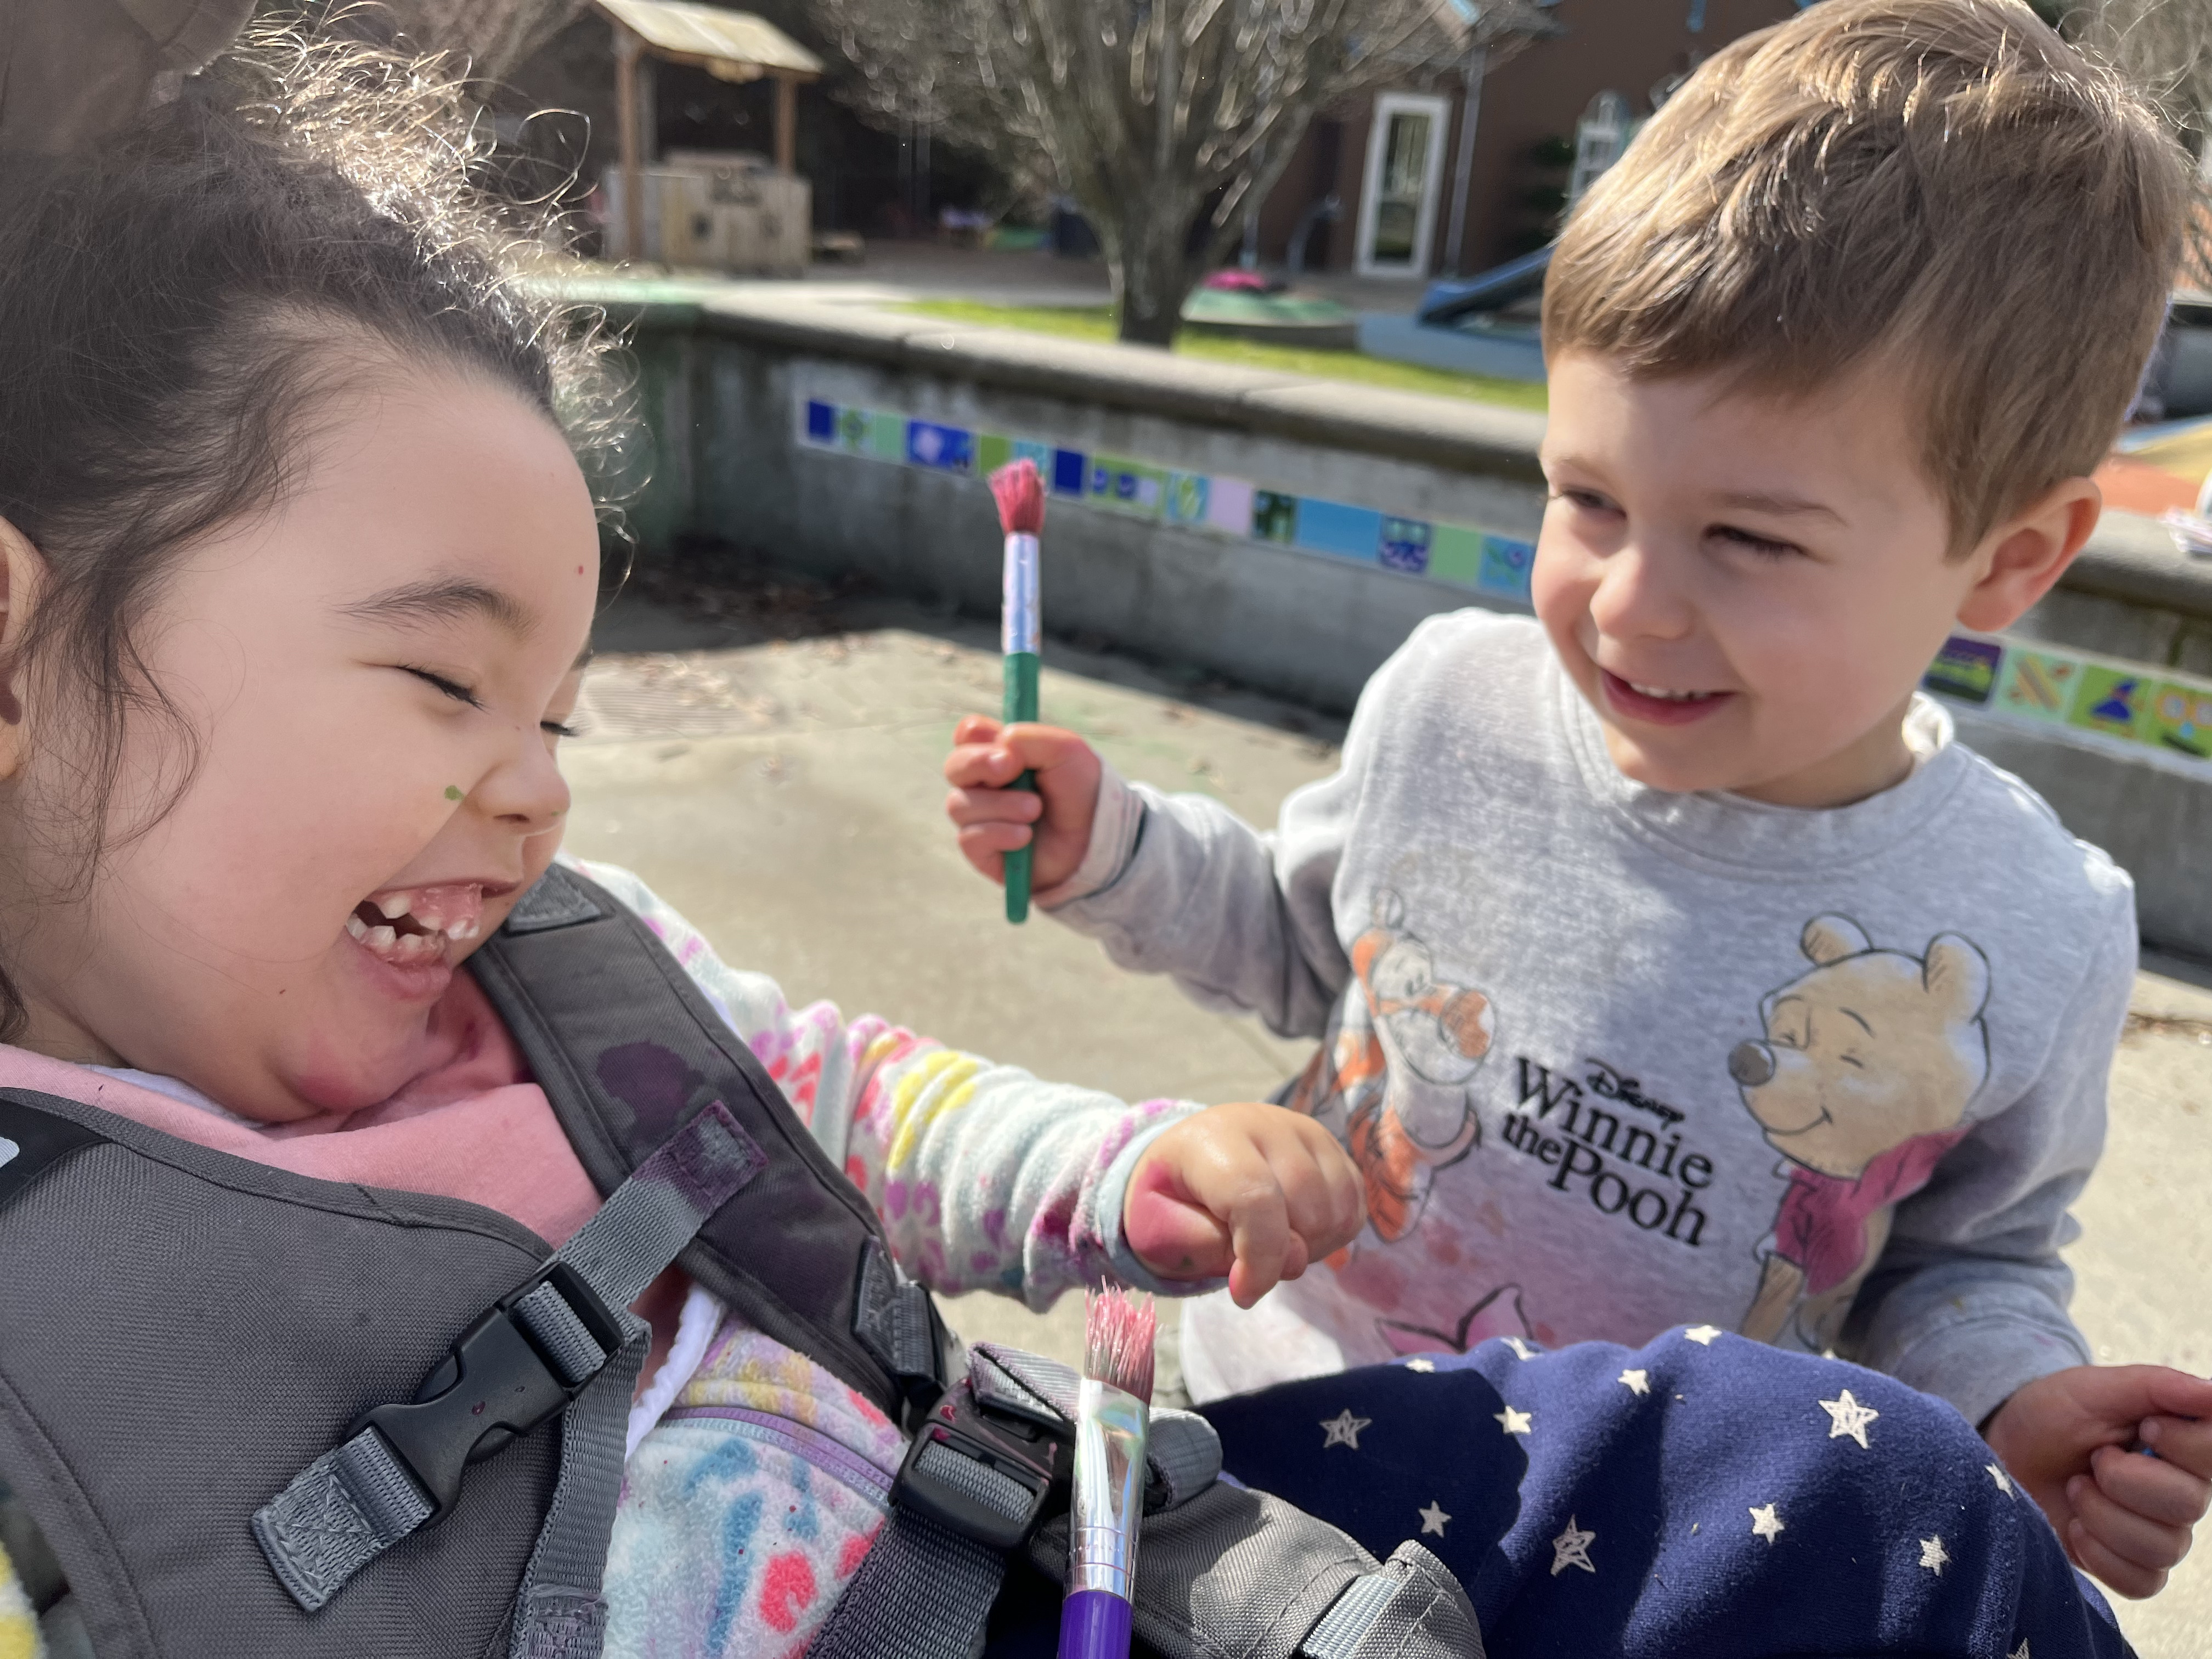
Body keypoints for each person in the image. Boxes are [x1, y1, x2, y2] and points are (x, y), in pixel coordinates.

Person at [0, 26, 1364, 1658]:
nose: (535, 794)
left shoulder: (562, 979)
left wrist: (1109, 1169)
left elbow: (837, 1098)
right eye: (447, 679)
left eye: (559, 717)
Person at [945, 0, 2212, 1602]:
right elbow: (1301, 938)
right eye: (1587, 497)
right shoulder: (1449, 700)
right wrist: (1106, 847)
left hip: (1643, 1547)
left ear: (2011, 558)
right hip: (1275, 1423)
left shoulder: (2036, 928)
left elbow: (1970, 1259)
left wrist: (2015, 1404)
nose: (1626, 606)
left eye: (1747, 541)